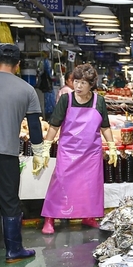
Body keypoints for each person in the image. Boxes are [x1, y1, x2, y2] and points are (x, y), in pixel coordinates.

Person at [40, 64, 117, 234]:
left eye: (83, 83)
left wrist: (112, 146)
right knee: (60, 183)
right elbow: (54, 125)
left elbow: (105, 126)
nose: (78, 86)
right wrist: (46, 147)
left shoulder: (99, 101)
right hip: (68, 151)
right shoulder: (66, 99)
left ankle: (88, 216)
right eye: (76, 81)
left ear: (91, 85)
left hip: (91, 152)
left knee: (90, 186)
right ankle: (50, 218)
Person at [0, 44, 43, 262]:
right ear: (18, 66)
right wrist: (39, 153)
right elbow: (35, 129)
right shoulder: (27, 90)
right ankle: (13, 250)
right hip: (6, 153)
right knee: (9, 201)